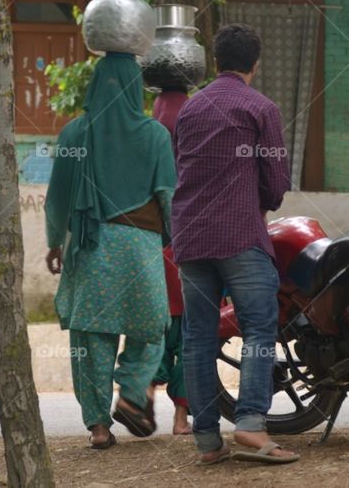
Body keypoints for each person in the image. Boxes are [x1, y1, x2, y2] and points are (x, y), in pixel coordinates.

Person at [171, 23, 299, 465]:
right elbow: (276, 183)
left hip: (189, 238)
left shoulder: (189, 110)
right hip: (240, 234)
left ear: (216, 62)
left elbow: (180, 169)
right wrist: (256, 202)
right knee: (260, 329)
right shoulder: (260, 108)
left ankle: (207, 441)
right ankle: (250, 425)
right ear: (255, 63)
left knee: (197, 338)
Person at [44, 51, 176, 450]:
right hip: (140, 247)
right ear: (137, 90)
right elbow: (167, 195)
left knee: (91, 339)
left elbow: (58, 198)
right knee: (151, 327)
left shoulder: (74, 134)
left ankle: (99, 427)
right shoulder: (155, 135)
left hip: (90, 244)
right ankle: (132, 393)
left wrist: (54, 242)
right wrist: (172, 238)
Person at [150, 85, 193, 435]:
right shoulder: (198, 146)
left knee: (155, 337)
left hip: (156, 256)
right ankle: (181, 419)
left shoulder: (147, 142)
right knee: (192, 342)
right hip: (193, 257)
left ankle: (142, 400)